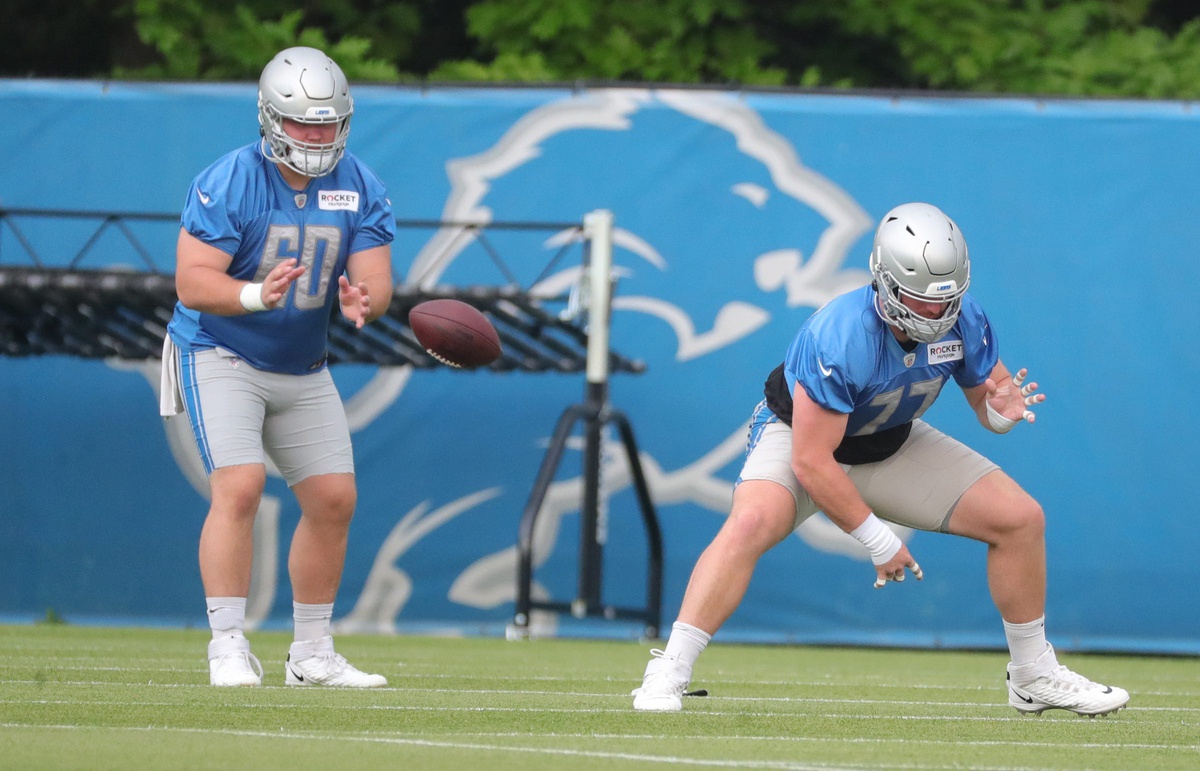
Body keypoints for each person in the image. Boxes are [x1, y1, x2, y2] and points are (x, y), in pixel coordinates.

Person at [631, 202, 1129, 717]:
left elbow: (991, 392)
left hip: (890, 441)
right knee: (751, 521)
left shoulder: (965, 317)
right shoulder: (840, 334)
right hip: (799, 440)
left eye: (946, 301)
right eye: (922, 301)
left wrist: (999, 409)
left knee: (1021, 520)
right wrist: (876, 537)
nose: (936, 314)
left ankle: (1034, 676)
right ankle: (669, 668)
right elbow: (812, 461)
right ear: (885, 282)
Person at [159, 46, 395, 687]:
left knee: (333, 499)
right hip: (220, 349)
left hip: (303, 362)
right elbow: (191, 281)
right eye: (304, 123)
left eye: (328, 123)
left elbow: (376, 278)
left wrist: (362, 299)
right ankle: (228, 645)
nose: (318, 136)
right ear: (270, 119)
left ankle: (311, 654)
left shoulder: (360, 185)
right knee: (239, 488)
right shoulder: (230, 179)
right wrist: (253, 294)